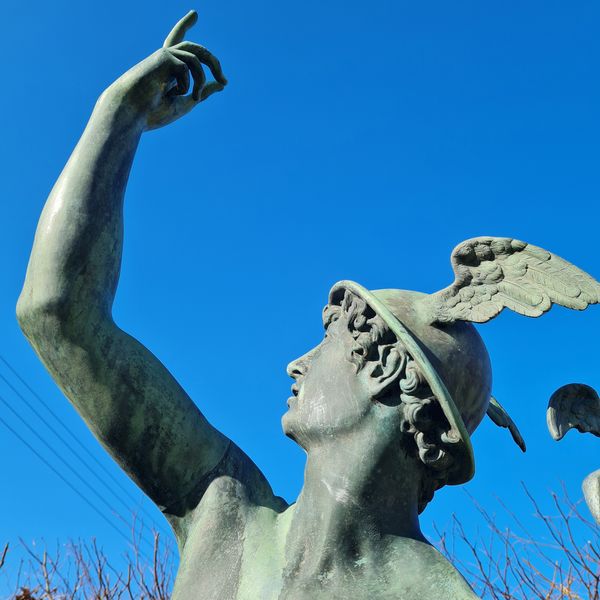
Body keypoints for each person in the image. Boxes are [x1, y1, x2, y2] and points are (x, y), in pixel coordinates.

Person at [19, 11, 600, 599]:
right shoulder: (228, 515)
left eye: (327, 342)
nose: (296, 363)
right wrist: (118, 117)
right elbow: (55, 313)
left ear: (386, 370)